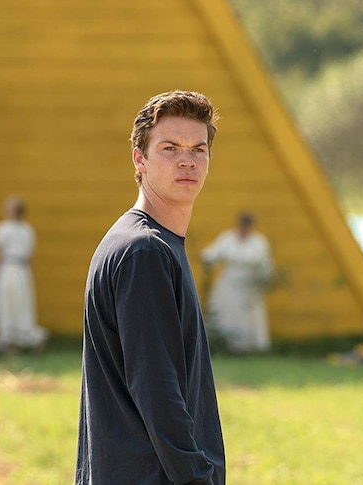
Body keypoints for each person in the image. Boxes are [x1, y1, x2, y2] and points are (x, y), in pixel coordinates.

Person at [76, 90, 225, 485]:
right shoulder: (144, 251)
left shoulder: (153, 243)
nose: (187, 160)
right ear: (139, 159)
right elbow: (157, 389)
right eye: (170, 148)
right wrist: (198, 478)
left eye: (198, 148)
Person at [200, 212, 273, 353]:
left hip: (249, 285)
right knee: (225, 311)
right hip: (229, 283)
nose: (244, 229)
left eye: (247, 226)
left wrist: (265, 278)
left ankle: (250, 348)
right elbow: (214, 252)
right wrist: (207, 258)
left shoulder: (259, 242)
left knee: (249, 316)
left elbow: (265, 264)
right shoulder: (227, 238)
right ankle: (225, 345)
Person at [0, 196, 48, 354]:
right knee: (23, 305)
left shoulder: (2, 228)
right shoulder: (27, 230)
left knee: (6, 304)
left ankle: (11, 343)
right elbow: (30, 257)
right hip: (23, 271)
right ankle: (31, 338)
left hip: (7, 269)